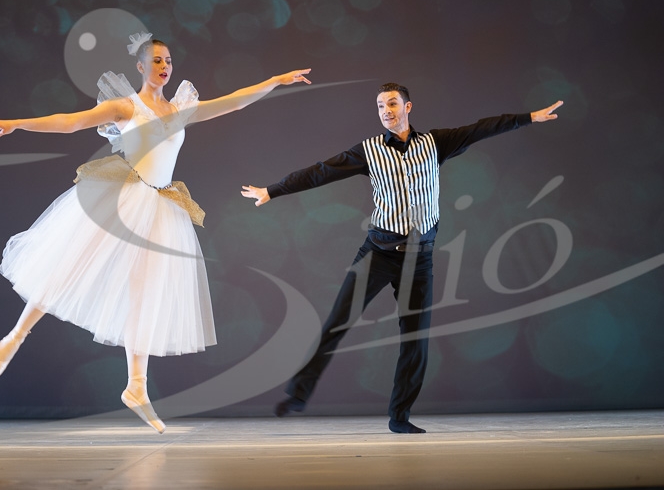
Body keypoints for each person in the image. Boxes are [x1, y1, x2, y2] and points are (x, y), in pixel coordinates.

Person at [0, 32, 311, 433]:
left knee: (144, 293)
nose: (164, 66)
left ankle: (136, 385)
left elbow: (234, 101)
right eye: (156, 60)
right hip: (123, 199)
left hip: (160, 207)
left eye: (168, 60)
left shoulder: (180, 109)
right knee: (70, 265)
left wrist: (275, 80)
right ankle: (16, 336)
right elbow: (71, 122)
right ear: (140, 67)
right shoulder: (125, 106)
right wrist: (16, 124)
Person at [241, 83, 563, 433]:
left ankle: (400, 417)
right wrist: (272, 190)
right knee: (337, 321)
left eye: (392, 104)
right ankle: (299, 394)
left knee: (415, 340)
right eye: (380, 106)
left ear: (408, 107)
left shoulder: (435, 143)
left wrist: (529, 117)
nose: (386, 111)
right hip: (378, 253)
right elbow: (321, 171)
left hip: (419, 260)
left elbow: (481, 128)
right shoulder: (369, 151)